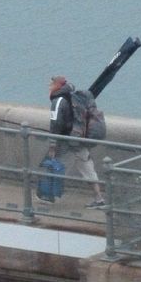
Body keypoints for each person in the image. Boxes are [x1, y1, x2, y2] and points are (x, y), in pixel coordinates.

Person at [41, 75, 105, 208]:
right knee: (87, 167)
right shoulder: (73, 96)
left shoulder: (58, 101)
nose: (49, 87)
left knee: (55, 165)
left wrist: (53, 145)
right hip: (79, 138)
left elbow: (56, 124)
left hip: (66, 140)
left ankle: (48, 196)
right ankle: (99, 198)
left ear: (57, 85)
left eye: (50, 84)